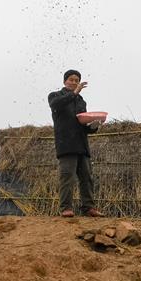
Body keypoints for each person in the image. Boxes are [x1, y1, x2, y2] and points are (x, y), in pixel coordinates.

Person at [47, 69, 103, 217]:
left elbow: (83, 125)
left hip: (82, 145)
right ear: (65, 81)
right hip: (66, 145)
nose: (74, 82)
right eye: (71, 79)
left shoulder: (81, 101)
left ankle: (88, 208)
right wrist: (74, 93)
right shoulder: (55, 96)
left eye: (76, 80)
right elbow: (56, 105)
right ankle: (66, 208)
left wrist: (94, 126)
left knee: (87, 178)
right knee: (67, 177)